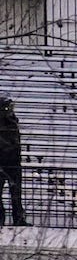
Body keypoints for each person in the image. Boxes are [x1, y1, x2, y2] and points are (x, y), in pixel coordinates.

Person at [0, 97, 22, 227]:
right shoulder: (3, 123)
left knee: (16, 194)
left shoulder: (12, 121)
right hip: (3, 163)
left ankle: (18, 218)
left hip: (14, 162)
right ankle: (2, 218)